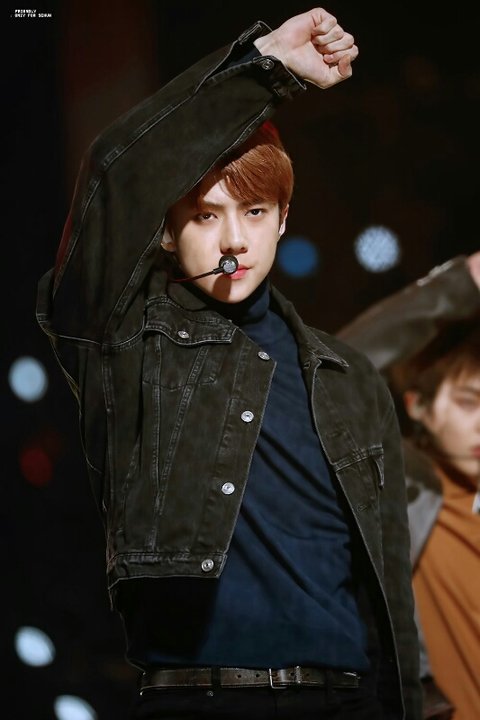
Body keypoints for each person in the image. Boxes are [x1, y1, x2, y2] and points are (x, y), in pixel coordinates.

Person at [36, 8, 422, 719]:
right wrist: (265, 67)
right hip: (200, 698)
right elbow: (116, 174)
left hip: (344, 702)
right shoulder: (129, 341)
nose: (233, 240)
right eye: (204, 214)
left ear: (284, 219)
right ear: (167, 230)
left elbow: (389, 591)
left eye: (254, 211)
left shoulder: (349, 378)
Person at [338, 253, 480, 720]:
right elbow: (338, 378)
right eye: (469, 402)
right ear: (419, 406)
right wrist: (459, 285)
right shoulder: (403, 484)